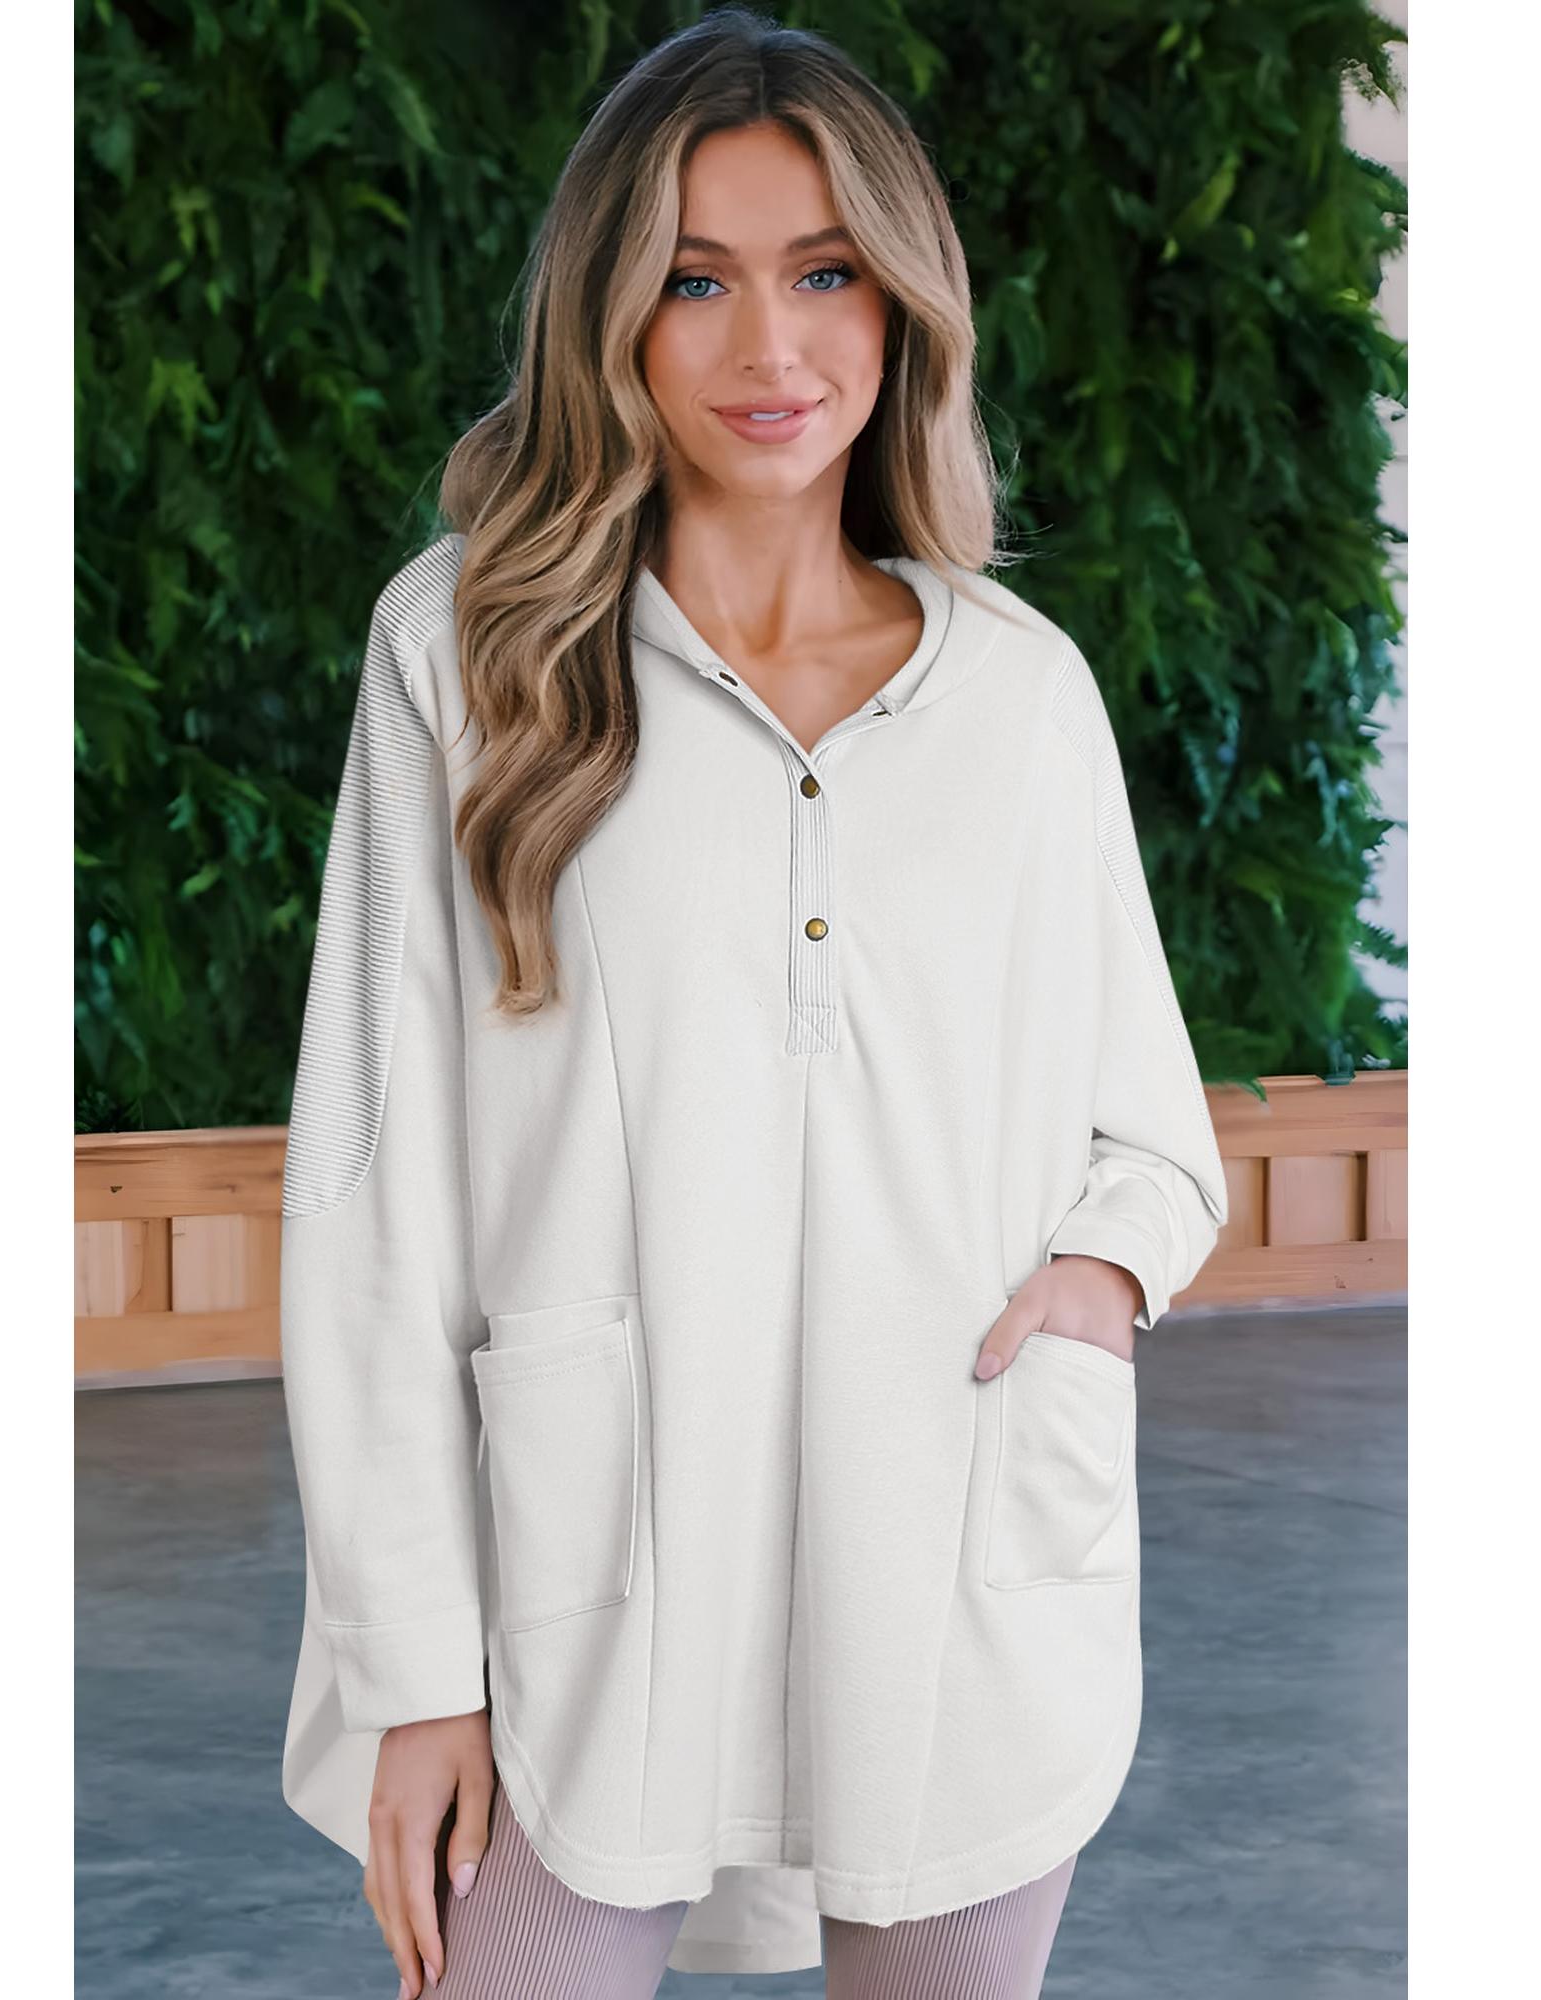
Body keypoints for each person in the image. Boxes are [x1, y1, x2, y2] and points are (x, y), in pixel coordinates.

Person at [277, 8, 1230, 1997]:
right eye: (695, 280)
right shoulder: (465, 654)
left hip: (954, 1561)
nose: (769, 346)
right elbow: (372, 1194)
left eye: (825, 274)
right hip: (581, 1575)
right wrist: (410, 1667)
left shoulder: (1019, 692)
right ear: (609, 314)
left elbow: (1152, 1139)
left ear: (902, 307)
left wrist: (1095, 1286)